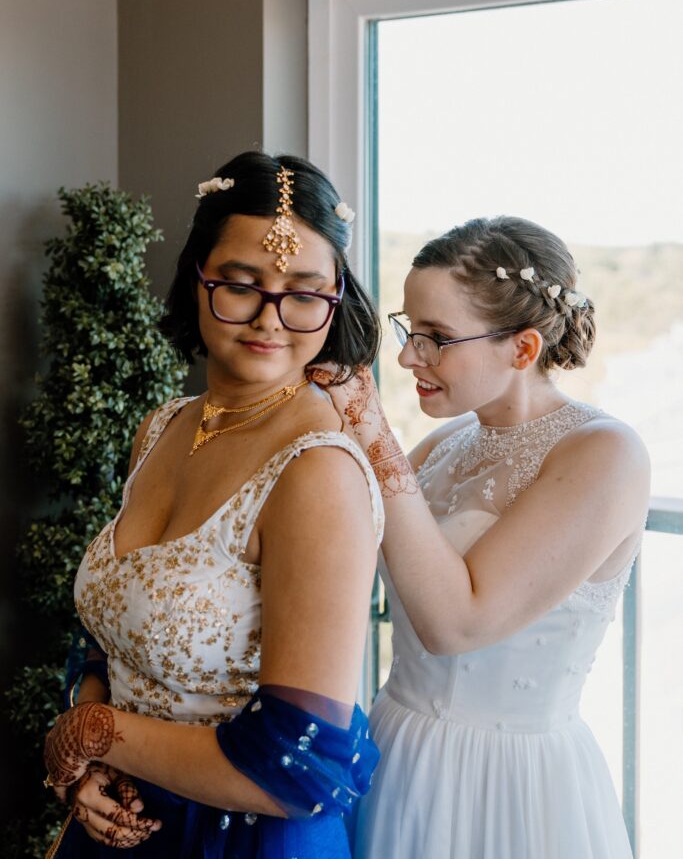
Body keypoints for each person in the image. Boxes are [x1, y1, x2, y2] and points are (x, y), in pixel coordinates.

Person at [42, 152, 384, 858]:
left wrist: (94, 735)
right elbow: (110, 625)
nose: (270, 318)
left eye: (303, 292)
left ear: (336, 298)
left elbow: (299, 769)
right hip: (121, 810)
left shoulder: (317, 472)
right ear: (197, 277)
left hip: (241, 839)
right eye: (240, 283)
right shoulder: (163, 425)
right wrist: (89, 759)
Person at [314, 216, 649, 859]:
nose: (409, 357)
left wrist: (370, 429)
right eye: (409, 331)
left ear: (522, 350)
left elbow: (455, 624)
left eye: (436, 338)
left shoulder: (605, 453)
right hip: (396, 750)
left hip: (506, 785)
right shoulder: (442, 444)